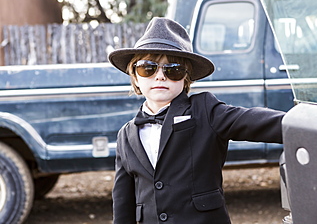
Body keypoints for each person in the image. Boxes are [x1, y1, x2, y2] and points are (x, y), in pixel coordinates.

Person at [108, 17, 285, 224]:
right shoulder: (126, 135)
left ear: (186, 78)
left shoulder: (205, 111)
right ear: (135, 76)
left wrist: (309, 123)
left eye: (173, 69)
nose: (160, 76)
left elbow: (256, 121)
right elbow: (122, 201)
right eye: (148, 68)